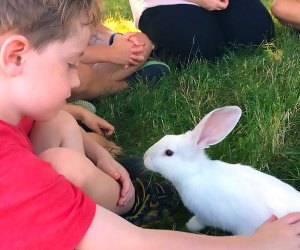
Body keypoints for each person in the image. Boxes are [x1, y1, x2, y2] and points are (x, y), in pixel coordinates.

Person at [2, 0, 300, 249]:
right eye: (70, 64)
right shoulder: (10, 172)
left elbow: (56, 120)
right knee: (65, 162)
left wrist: (96, 150)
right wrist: (255, 243)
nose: (77, 80)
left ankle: (90, 179)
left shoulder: (16, 107)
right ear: (15, 56)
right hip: (39, 209)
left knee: (59, 122)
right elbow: (134, 243)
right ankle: (135, 205)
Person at [128, 0, 275, 64]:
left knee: (259, 32)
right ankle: (157, 43)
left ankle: (212, 27)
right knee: (198, 50)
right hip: (164, 3)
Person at [71, 23, 171, 100]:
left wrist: (120, 39)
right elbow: (59, 52)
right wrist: (110, 53)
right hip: (68, 68)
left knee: (142, 43)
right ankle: (125, 84)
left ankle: (94, 87)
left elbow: (90, 25)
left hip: (93, 64)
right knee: (79, 75)